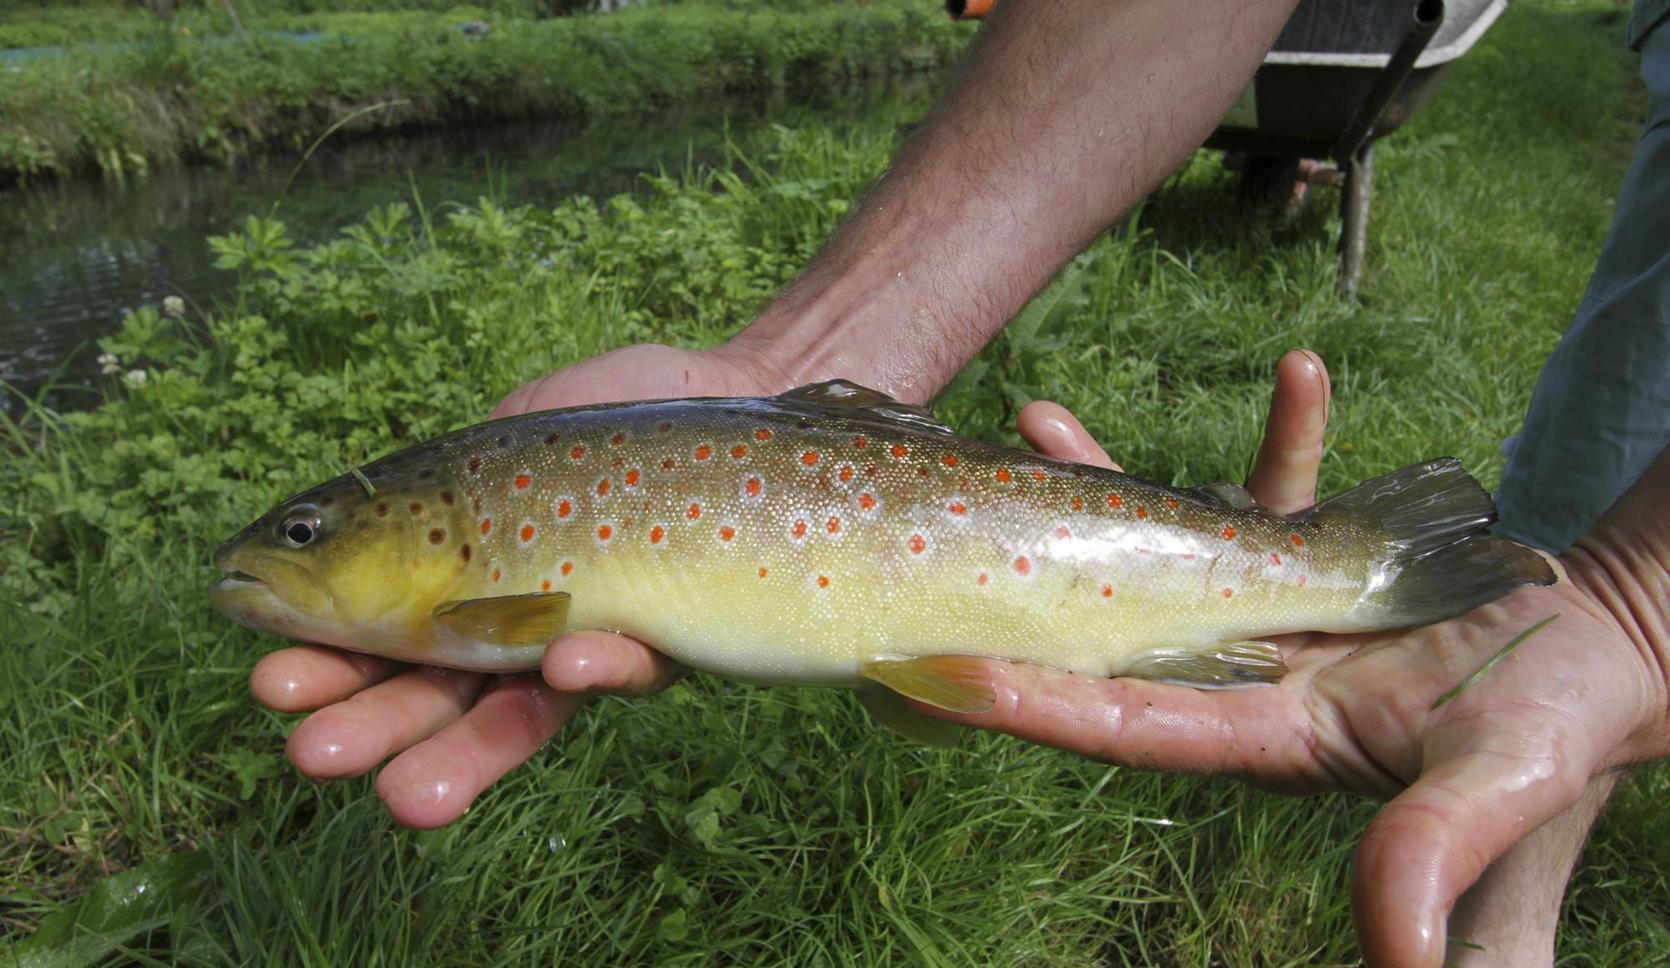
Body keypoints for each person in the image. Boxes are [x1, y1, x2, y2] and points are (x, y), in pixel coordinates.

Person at [250, 1, 1670, 965]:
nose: (288, 553)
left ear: (419, 528)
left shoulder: (482, 585)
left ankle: (1412, 630)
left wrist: (1640, 598)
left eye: (310, 532)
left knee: (1569, 579)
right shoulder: (478, 549)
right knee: (1574, 518)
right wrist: (1620, 589)